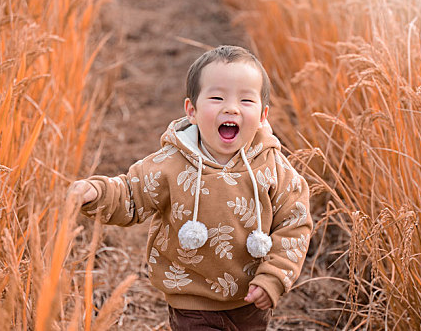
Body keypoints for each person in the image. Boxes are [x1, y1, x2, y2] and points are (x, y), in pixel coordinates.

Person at [71, 45, 312, 330]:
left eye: (246, 100)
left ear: (263, 116)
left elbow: (294, 223)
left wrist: (273, 277)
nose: (231, 107)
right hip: (190, 299)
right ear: (192, 110)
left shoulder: (274, 167)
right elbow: (131, 194)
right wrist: (97, 193)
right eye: (217, 97)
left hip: (251, 299)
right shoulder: (171, 163)